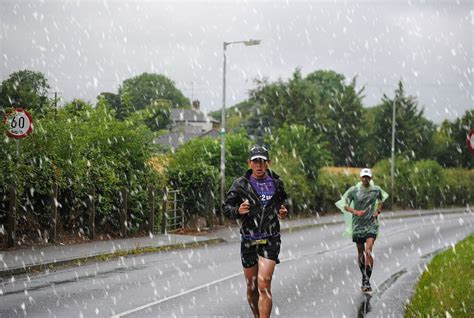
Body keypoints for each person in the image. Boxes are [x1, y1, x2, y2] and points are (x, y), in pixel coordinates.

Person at [223, 145, 289, 318]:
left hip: (271, 238)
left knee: (264, 283)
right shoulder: (240, 184)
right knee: (252, 288)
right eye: (255, 162)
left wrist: (283, 210)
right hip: (248, 239)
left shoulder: (276, 183)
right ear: (249, 163)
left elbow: (283, 203)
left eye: (262, 161)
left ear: (268, 163)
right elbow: (226, 208)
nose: (259, 165)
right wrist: (238, 210)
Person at [336, 168, 388, 292]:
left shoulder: (376, 190)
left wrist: (377, 211)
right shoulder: (354, 191)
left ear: (370, 178)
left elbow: (381, 201)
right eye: (363, 177)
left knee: (368, 250)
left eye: (367, 177)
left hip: (371, 224)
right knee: (360, 252)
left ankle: (366, 280)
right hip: (358, 225)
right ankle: (364, 276)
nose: (365, 179)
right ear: (360, 178)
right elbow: (345, 205)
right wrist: (355, 211)